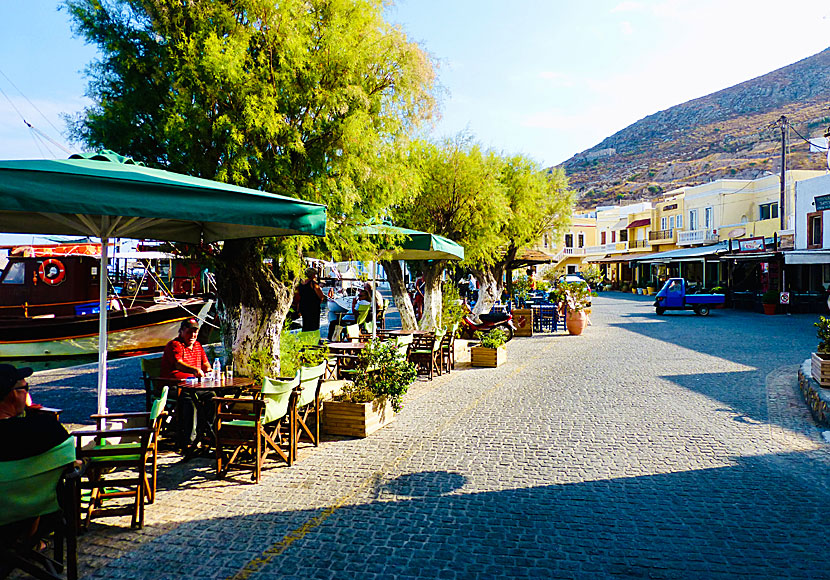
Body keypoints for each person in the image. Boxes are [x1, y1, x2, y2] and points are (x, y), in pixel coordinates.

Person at [0, 365, 76, 553]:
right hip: (40, 510)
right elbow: (71, 462)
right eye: (26, 389)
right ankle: (29, 544)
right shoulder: (46, 428)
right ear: (13, 395)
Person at [160, 318, 214, 452]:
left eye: (195, 332)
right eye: (189, 332)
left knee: (212, 396)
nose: (193, 335)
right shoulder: (175, 345)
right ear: (182, 331)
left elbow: (205, 363)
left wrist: (209, 370)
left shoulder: (197, 346)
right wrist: (194, 370)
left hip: (194, 385)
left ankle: (208, 433)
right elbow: (178, 364)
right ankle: (190, 439)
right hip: (174, 386)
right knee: (189, 398)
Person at [297, 267, 326, 332]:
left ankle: (305, 338)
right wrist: (320, 301)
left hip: (303, 305)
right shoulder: (313, 284)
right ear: (312, 275)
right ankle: (314, 338)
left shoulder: (301, 283)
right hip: (313, 306)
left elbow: (299, 295)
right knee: (314, 324)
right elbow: (321, 295)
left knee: (306, 323)